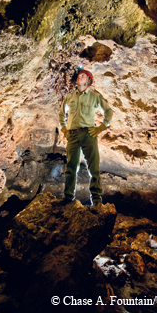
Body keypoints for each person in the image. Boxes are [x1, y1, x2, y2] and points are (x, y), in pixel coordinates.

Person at [52, 68, 113, 212]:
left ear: (88, 81)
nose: (80, 76)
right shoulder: (70, 97)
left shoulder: (94, 97)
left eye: (84, 75)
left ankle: (97, 201)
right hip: (73, 135)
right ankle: (68, 198)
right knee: (71, 167)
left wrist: (100, 128)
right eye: (79, 75)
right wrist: (64, 129)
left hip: (88, 134)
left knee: (94, 168)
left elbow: (109, 111)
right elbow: (61, 114)